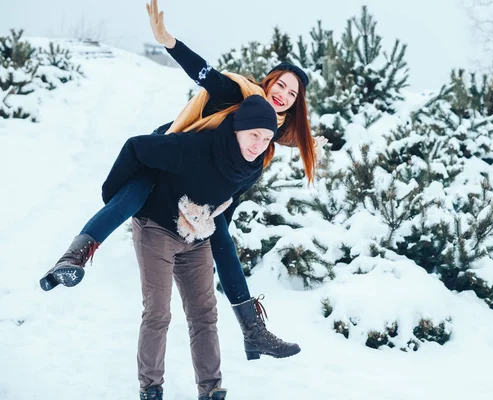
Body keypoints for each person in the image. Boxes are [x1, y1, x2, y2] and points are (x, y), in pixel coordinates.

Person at [40, 0, 326, 361]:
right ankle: (72, 259)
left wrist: (308, 140)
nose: (282, 95)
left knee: (223, 238)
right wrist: (169, 41)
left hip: (200, 182)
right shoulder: (241, 94)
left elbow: (277, 141)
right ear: (268, 81)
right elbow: (206, 75)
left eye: (292, 94)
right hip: (170, 153)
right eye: (280, 85)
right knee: (133, 196)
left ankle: (252, 330)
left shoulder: (272, 128)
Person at [109, 94, 277, 400]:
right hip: (157, 226)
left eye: (266, 138)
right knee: (158, 312)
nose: (259, 144)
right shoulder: (197, 145)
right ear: (238, 128)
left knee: (204, 314)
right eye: (254, 134)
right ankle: (151, 388)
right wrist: (115, 197)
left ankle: (211, 389)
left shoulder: (252, 167)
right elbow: (137, 147)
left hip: (197, 236)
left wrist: (211, 228)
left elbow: (228, 202)